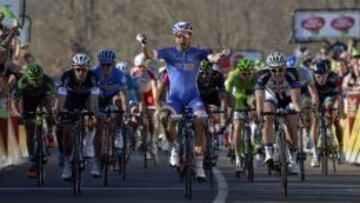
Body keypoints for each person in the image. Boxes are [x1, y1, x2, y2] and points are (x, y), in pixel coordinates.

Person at [136, 21, 228, 180]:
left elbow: (212, 58)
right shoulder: (168, 52)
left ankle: (199, 165)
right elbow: (150, 55)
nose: (182, 38)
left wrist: (221, 54)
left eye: (186, 35)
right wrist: (144, 45)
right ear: (174, 37)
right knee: (164, 117)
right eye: (179, 35)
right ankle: (175, 147)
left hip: (193, 98)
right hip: (175, 98)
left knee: (200, 121)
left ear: (190, 36)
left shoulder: (198, 53)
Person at [255, 52, 303, 174]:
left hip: (288, 97)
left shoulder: (292, 74)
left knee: (292, 123)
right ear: (269, 70)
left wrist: (300, 114)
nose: (277, 73)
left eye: (281, 70)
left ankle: (293, 159)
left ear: (285, 68)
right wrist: (260, 115)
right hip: (271, 97)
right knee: (267, 116)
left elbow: (296, 99)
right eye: (274, 70)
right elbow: (260, 99)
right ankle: (268, 154)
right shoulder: (262, 75)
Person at [57, 53, 99, 180]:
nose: (81, 72)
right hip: (70, 100)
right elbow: (62, 97)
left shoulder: (93, 77)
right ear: (73, 69)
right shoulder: (67, 77)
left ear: (88, 69)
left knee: (93, 117)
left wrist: (92, 113)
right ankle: (68, 163)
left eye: (84, 70)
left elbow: (94, 98)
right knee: (66, 130)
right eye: (78, 69)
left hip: (86, 99)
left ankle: (88, 144)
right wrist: (61, 111)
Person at [12, 63, 56, 178]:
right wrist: (19, 114)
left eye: (38, 79)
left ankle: (50, 131)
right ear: (27, 78)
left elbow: (55, 98)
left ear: (42, 76)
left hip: (43, 98)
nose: (36, 82)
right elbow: (15, 102)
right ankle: (32, 155)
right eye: (33, 79)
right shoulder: (22, 83)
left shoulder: (47, 81)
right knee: (29, 129)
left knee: (49, 111)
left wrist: (52, 111)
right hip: (28, 102)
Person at [91, 48, 128, 177]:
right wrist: (93, 112)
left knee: (117, 99)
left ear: (113, 63)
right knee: (98, 129)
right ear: (99, 64)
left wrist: (125, 110)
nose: (106, 68)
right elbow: (91, 95)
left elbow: (123, 94)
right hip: (99, 99)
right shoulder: (94, 73)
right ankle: (96, 161)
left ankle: (117, 130)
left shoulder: (119, 74)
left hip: (113, 98)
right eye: (103, 65)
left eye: (109, 65)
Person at [225, 58, 258, 173]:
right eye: (244, 74)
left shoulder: (256, 75)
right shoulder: (233, 76)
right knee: (238, 127)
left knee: (257, 117)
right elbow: (227, 94)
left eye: (249, 73)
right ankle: (238, 155)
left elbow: (260, 93)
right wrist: (227, 110)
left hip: (252, 96)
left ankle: (256, 145)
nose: (247, 76)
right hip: (237, 97)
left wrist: (256, 108)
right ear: (239, 73)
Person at [310, 60, 345, 167]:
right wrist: (315, 109)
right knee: (315, 120)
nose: (321, 79)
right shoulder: (310, 80)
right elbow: (313, 97)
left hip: (330, 96)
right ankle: (315, 153)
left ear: (328, 74)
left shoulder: (334, 78)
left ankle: (341, 149)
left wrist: (340, 111)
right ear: (314, 75)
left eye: (324, 76)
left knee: (335, 119)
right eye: (318, 76)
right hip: (316, 97)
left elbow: (339, 97)